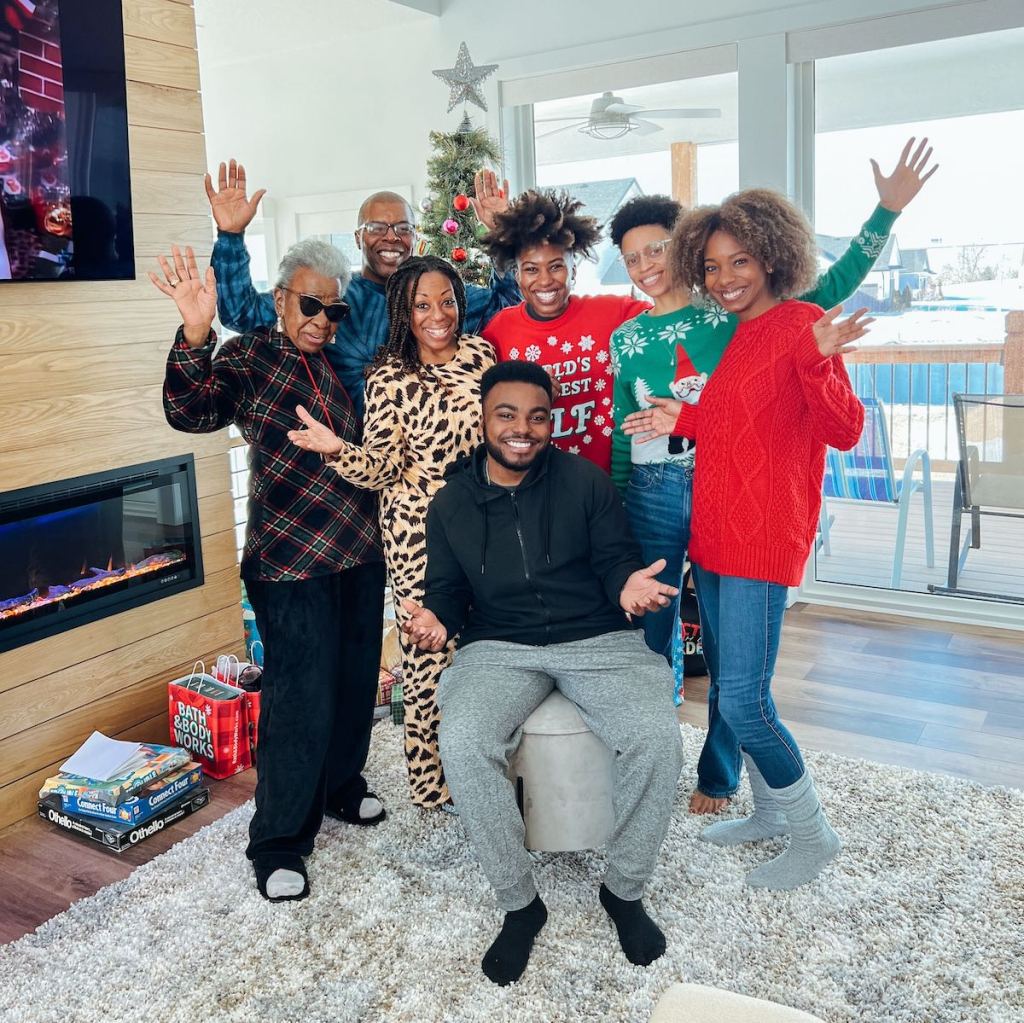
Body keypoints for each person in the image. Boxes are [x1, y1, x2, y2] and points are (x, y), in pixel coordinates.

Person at [612, 136, 937, 812]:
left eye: (656, 249)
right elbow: (669, 417)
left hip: (742, 502)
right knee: (662, 639)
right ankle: (661, 765)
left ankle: (726, 776)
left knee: (738, 670)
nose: (646, 265)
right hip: (673, 499)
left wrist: (883, 216)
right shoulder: (643, 332)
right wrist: (645, 461)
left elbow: (826, 293)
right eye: (631, 256)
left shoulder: (745, 311)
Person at [401, 361, 684, 986]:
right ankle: (520, 904)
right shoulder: (450, 504)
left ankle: (624, 890)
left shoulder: (584, 482)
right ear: (483, 419)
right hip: (499, 644)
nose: (522, 429)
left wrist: (628, 586)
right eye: (507, 414)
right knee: (464, 739)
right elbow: (446, 590)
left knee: (657, 737)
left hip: (596, 636)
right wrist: (438, 620)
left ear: (550, 422)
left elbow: (616, 558)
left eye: (536, 417)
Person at [155, 240, 386, 903]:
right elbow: (189, 409)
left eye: (333, 309)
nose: (321, 319)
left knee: (351, 684)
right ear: (280, 298)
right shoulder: (252, 354)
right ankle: (279, 840)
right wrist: (196, 330)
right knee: (300, 696)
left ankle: (341, 786)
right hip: (289, 563)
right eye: (309, 304)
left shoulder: (345, 362)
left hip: (359, 551)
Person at [669, 188, 870, 889]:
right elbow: (737, 423)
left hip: (759, 540)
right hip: (716, 538)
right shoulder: (740, 334)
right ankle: (770, 811)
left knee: (744, 701)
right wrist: (682, 415)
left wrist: (817, 359)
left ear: (774, 257)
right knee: (734, 687)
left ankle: (813, 833)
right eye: (714, 265)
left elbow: (845, 430)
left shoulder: (800, 322)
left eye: (741, 261)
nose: (726, 278)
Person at [287, 255, 496, 810]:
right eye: (422, 305)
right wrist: (337, 450)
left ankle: (480, 764)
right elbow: (382, 467)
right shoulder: (389, 377)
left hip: (483, 529)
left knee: (480, 654)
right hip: (418, 536)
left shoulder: (481, 356)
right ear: (403, 312)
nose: (438, 315)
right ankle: (430, 786)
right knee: (427, 662)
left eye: (447, 301)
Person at [205, 159, 519, 417]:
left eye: (403, 229)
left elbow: (508, 305)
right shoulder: (333, 298)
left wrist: (503, 233)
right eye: (377, 228)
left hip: (435, 463)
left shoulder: (443, 299)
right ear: (358, 238)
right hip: (352, 465)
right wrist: (231, 236)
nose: (391, 237)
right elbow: (240, 313)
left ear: (414, 237)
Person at [478, 189, 650, 473]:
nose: (545, 280)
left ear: (573, 269)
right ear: (517, 275)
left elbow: (671, 313)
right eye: (531, 269)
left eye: (556, 266)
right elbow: (488, 404)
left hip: (607, 482)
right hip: (534, 486)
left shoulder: (614, 312)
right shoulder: (500, 329)